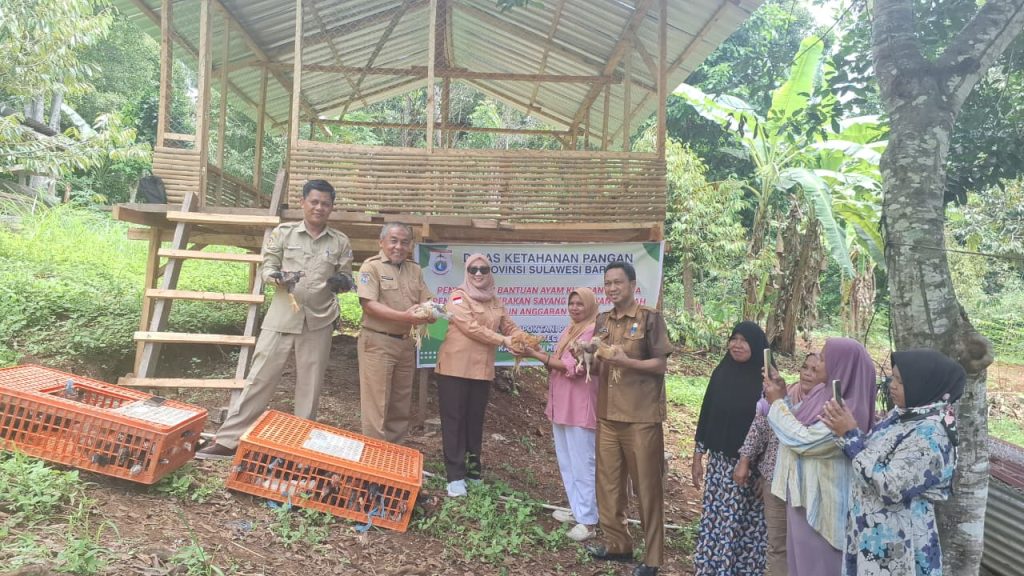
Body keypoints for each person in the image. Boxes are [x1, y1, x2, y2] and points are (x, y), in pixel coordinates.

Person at [197, 179, 352, 460]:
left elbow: (347, 276)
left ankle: (299, 446)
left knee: (310, 385)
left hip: (319, 320)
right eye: (314, 201)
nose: (319, 207)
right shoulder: (284, 234)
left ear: (331, 207)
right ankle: (229, 440)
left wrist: (343, 281)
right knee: (259, 378)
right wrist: (276, 277)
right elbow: (267, 267)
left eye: (325, 203)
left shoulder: (339, 241)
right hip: (282, 317)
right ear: (303, 202)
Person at [822, 349, 963, 576]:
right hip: (873, 534)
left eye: (901, 381)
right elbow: (870, 456)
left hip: (898, 544)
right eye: (892, 377)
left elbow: (890, 487)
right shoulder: (903, 415)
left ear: (924, 384)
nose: (892, 385)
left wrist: (850, 435)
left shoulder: (931, 435)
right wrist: (844, 432)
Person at [584, 261, 673, 576]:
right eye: (607, 283)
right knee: (607, 485)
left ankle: (652, 559)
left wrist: (627, 360)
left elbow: (660, 365)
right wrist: (586, 355)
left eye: (617, 283)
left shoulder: (649, 319)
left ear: (633, 285)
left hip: (641, 418)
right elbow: (597, 367)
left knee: (647, 487)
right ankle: (618, 545)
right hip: (608, 415)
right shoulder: (603, 321)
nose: (611, 288)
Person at [764, 337, 877, 576]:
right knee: (801, 566)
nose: (816, 366)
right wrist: (783, 397)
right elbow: (797, 421)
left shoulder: (846, 410)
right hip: (803, 496)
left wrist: (776, 404)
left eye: (824, 359)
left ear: (842, 365)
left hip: (825, 506)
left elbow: (804, 440)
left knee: (819, 567)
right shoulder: (822, 395)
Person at [434, 253, 525, 498]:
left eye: (483, 269)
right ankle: (454, 476)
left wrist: (520, 337)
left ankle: (473, 473)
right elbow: (471, 328)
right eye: (473, 269)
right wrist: (504, 340)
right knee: (454, 421)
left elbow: (508, 325)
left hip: (481, 370)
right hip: (454, 368)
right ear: (467, 271)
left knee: (474, 422)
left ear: (489, 272)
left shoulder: (494, 300)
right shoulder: (457, 297)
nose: (478, 274)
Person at [691, 321, 769, 576]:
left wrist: (767, 475)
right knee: (717, 522)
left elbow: (774, 431)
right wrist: (697, 455)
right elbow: (707, 414)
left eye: (744, 340)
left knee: (743, 525)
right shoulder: (721, 372)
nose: (736, 345)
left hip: (752, 471)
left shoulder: (768, 382)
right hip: (720, 466)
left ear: (756, 346)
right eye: (733, 339)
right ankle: (712, 569)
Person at [523, 288, 600, 542]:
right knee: (567, 461)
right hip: (561, 403)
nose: (575, 307)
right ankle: (576, 508)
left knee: (583, 464)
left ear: (589, 306)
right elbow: (558, 360)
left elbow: (574, 367)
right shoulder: (570, 329)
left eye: (580, 304)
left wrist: (536, 355)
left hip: (580, 405)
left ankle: (589, 521)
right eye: (572, 303)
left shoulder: (592, 332)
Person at [734, 352, 821, 576]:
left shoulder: (825, 405)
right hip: (774, 480)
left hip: (804, 485)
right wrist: (745, 460)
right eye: (805, 367)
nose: (808, 374)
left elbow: (802, 437)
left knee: (802, 546)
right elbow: (760, 427)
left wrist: (781, 403)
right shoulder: (786, 392)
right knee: (777, 544)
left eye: (815, 369)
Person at [356, 222, 435, 443]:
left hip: (405, 343)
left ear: (410, 245)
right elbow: (368, 304)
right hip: (377, 342)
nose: (399, 246)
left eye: (404, 242)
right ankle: (374, 460)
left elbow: (425, 299)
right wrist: (406, 318)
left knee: (401, 402)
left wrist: (430, 311)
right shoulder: (371, 267)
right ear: (381, 242)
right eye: (393, 240)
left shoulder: (414, 269)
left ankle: (395, 454)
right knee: (377, 404)